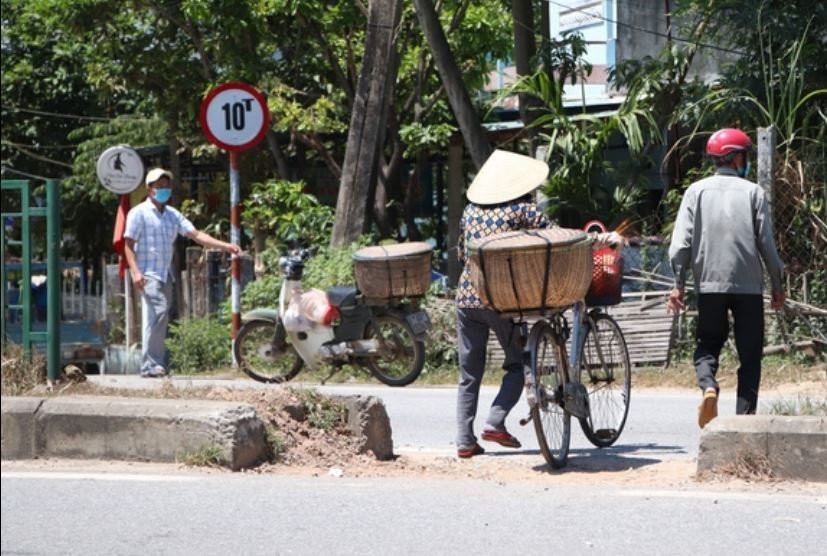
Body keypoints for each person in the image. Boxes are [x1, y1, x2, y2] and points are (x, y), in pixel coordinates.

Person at [455, 150, 620, 458]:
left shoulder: (469, 211)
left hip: (467, 296)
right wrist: (599, 239)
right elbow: (559, 239)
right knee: (517, 364)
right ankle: (494, 422)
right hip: (499, 299)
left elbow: (462, 255)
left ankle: (464, 440)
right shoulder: (523, 211)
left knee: (469, 373)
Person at [667, 128, 785, 428]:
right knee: (750, 356)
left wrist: (678, 285)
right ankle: (745, 423)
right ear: (735, 158)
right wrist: (777, 283)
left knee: (707, 345)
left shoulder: (696, 191)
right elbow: (767, 246)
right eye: (744, 155)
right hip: (748, 288)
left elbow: (680, 245)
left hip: (709, 285)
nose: (745, 161)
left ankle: (708, 386)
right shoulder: (753, 192)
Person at [123, 168, 241, 378]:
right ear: (149, 189)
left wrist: (226, 246)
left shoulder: (172, 215)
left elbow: (196, 235)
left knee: (158, 316)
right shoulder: (138, 213)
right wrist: (135, 271)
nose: (163, 191)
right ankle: (151, 364)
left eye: (166, 187)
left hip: (164, 273)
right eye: (158, 187)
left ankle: (153, 364)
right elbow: (128, 244)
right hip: (147, 273)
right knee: (158, 313)